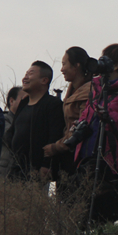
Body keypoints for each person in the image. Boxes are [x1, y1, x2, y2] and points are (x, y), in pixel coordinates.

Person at [72, 44, 118, 224]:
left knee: (100, 199)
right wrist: (79, 124)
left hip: (111, 157)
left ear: (116, 65)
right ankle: (92, 234)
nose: (100, 63)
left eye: (106, 59)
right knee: (84, 197)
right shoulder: (97, 91)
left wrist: (110, 117)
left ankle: (113, 217)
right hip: (89, 154)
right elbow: (87, 114)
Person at [6, 61, 65, 180]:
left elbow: (55, 135)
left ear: (44, 80)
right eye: (26, 73)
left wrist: (46, 164)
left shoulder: (52, 104)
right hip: (15, 170)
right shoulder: (23, 104)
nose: (25, 77)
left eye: (31, 74)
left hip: (36, 171)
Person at [42, 47, 93, 179]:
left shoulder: (88, 93)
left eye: (64, 64)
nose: (62, 69)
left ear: (77, 66)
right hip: (68, 156)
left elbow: (82, 126)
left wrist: (56, 147)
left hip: (78, 157)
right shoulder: (73, 91)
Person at [0, 87, 22, 180]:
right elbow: (10, 137)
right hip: (4, 173)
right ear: (11, 101)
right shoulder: (2, 119)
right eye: (24, 99)